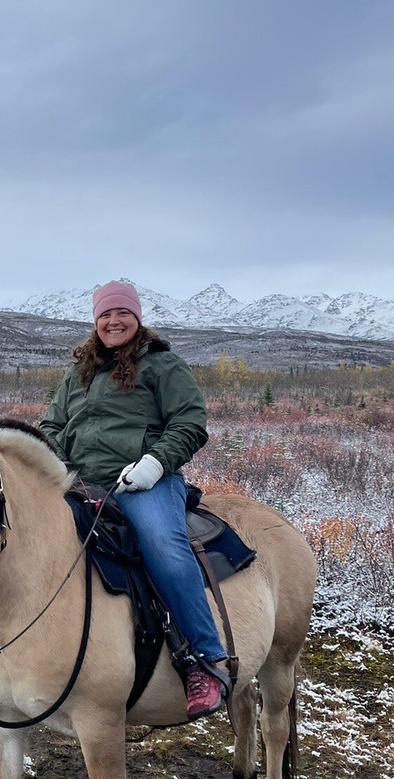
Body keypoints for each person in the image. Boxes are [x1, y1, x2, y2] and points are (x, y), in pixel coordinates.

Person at [38, 279, 230, 720]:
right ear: (95, 322)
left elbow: (190, 422)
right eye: (104, 314)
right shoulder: (78, 373)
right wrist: (52, 463)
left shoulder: (163, 366)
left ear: (137, 317)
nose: (113, 321)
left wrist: (155, 464)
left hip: (145, 481)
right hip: (82, 482)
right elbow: (50, 425)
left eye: (121, 313)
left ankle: (203, 659)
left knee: (163, 545)